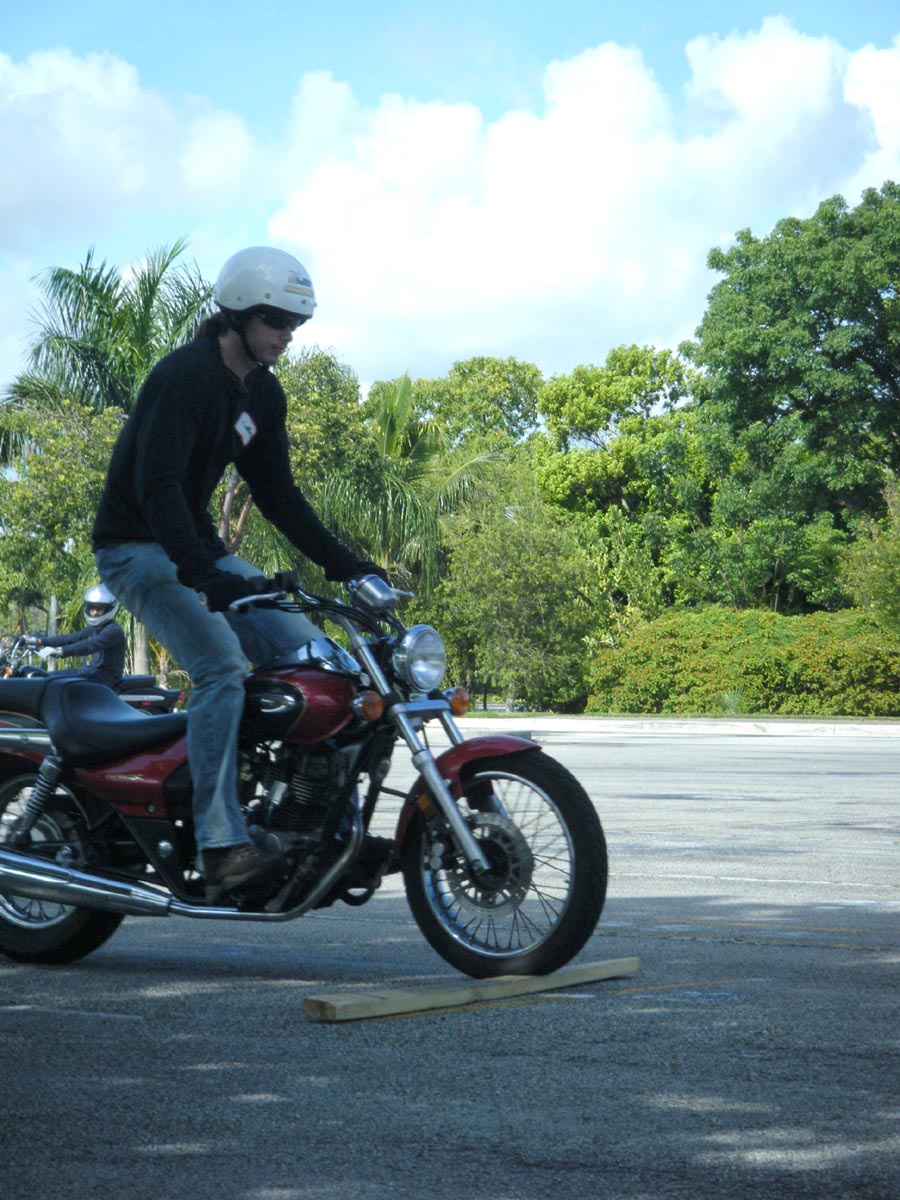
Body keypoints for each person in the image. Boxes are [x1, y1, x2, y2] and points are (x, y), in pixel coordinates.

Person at [91, 245, 385, 900]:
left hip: (197, 550)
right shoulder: (185, 376)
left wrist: (349, 567)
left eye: (294, 324)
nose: (286, 336)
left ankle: (305, 818)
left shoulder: (263, 394)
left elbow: (279, 496)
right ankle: (221, 844)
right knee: (221, 665)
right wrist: (204, 573)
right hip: (135, 547)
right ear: (238, 314)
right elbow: (158, 488)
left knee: (314, 653)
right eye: (275, 321)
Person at [29, 584, 126, 690]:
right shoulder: (94, 628)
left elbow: (90, 645)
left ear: (110, 608)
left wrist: (61, 651)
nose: (94, 612)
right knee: (45, 677)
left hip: (106, 678)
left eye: (99, 609)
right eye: (92, 608)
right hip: (91, 672)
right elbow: (69, 638)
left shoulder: (113, 631)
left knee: (57, 685)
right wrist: (38, 641)